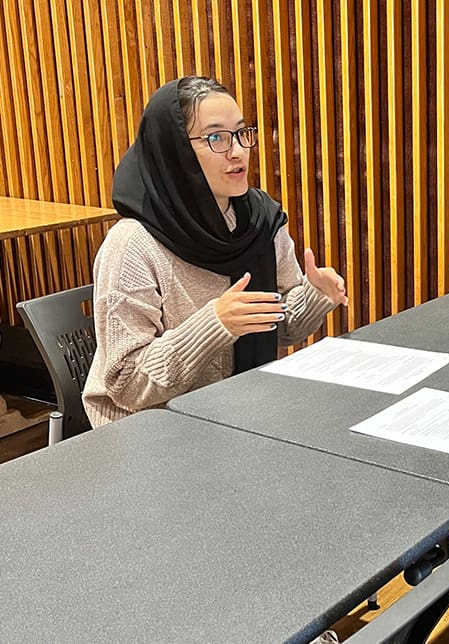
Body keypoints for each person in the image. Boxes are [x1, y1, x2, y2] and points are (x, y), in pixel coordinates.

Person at [83, 76, 348, 427]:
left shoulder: (260, 221)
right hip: (147, 428)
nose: (238, 151)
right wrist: (214, 325)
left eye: (241, 133)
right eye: (216, 138)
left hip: (235, 409)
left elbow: (279, 328)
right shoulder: (132, 246)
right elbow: (126, 383)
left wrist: (316, 295)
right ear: (174, 151)